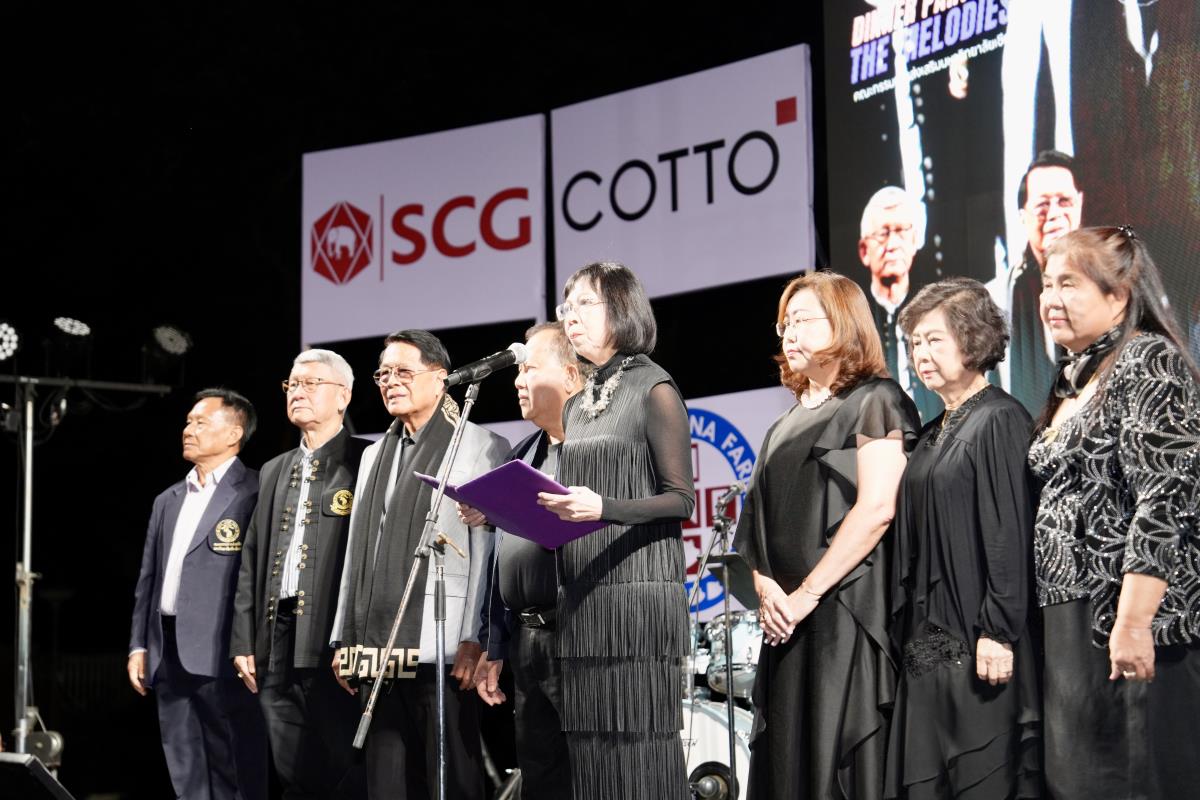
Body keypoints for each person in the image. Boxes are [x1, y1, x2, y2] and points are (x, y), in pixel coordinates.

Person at [733, 270, 920, 799]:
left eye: (802, 320)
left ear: (843, 323)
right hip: (786, 623)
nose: (789, 334)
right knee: (788, 765)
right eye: (784, 324)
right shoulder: (782, 426)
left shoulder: (875, 400)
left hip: (844, 613)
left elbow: (878, 507)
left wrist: (806, 594)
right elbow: (755, 529)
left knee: (837, 760)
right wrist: (769, 591)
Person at [1028, 226, 1200, 798]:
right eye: (1046, 284)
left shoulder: (1148, 360)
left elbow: (1164, 498)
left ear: (1119, 295)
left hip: (1129, 617)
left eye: (1069, 284)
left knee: (1139, 779)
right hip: (1069, 619)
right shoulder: (1072, 378)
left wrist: (1132, 623)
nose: (1051, 299)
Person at [535, 262, 695, 800]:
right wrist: (500, 511)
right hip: (583, 598)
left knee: (641, 751)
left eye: (585, 303)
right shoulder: (577, 406)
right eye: (567, 306)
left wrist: (605, 507)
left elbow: (681, 499)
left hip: (638, 599)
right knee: (593, 756)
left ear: (622, 309)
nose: (570, 316)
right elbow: (569, 506)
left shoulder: (655, 388)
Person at [329, 329, 508, 800]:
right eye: (383, 374)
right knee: (387, 783)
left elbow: (488, 551)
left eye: (403, 372)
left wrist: (476, 635)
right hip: (375, 646)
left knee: (451, 779)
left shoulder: (481, 445)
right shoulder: (373, 454)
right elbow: (357, 551)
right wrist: (344, 636)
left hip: (443, 642)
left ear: (440, 378)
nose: (390, 381)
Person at [887, 278, 1042, 798]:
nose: (921, 354)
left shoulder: (999, 418)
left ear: (973, 339)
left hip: (980, 641)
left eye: (934, 340)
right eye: (914, 343)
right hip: (928, 647)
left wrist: (998, 631)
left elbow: (1008, 533)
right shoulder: (933, 431)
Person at [230, 349, 367, 799]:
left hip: (333, 636)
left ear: (343, 396)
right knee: (290, 767)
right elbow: (252, 558)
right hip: (276, 635)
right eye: (293, 384)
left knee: (342, 761)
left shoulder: (366, 459)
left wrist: (354, 635)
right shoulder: (274, 468)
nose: (298, 393)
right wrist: (244, 641)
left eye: (311, 383)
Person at [460, 321, 582, 799]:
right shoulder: (524, 454)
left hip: (582, 635)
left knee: (589, 775)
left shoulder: (597, 448)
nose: (517, 380)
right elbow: (499, 563)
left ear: (570, 375)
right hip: (529, 644)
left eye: (530, 368)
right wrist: (495, 646)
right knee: (540, 776)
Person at [128, 388, 268, 800]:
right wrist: (139, 644)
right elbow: (148, 579)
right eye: (188, 422)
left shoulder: (256, 490)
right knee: (185, 769)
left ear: (234, 433)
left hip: (224, 650)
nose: (188, 430)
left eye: (200, 422)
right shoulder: (168, 499)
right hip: (167, 650)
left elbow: (261, 575)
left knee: (235, 768)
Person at [1004, 150, 1083, 412]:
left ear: (1080, 203)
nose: (1054, 214)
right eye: (1042, 205)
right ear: (1022, 216)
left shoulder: (1108, 284)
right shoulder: (1000, 297)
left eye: (1064, 201)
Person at [858, 186, 942, 422]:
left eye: (901, 231)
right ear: (864, 251)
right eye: (882, 234)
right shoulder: (856, 321)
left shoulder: (935, 312)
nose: (893, 244)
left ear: (914, 240)